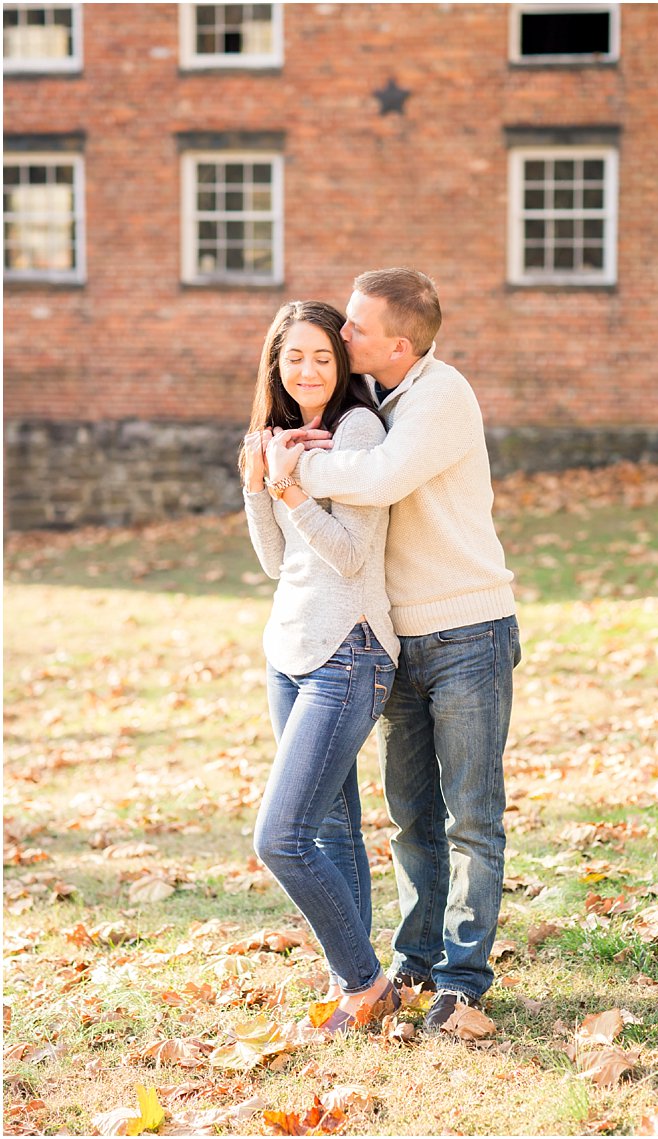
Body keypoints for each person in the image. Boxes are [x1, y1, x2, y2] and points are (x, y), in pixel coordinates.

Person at [264, 268, 519, 1034]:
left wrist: (289, 466)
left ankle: (464, 978)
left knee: (470, 816)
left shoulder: (441, 395)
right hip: (399, 634)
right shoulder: (380, 400)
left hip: (469, 628)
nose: (343, 336)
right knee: (411, 816)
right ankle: (412, 960)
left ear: (399, 343)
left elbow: (377, 479)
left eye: (357, 328)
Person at [241, 300, 400, 1034]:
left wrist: (293, 488)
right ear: (275, 362)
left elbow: (350, 554)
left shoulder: (361, 432)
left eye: (323, 357)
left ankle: (367, 984)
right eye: (294, 355)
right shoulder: (280, 439)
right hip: (290, 651)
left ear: (342, 365)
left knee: (280, 834)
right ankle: (355, 991)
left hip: (351, 648)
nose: (307, 369)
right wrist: (259, 481)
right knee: (332, 829)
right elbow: (277, 561)